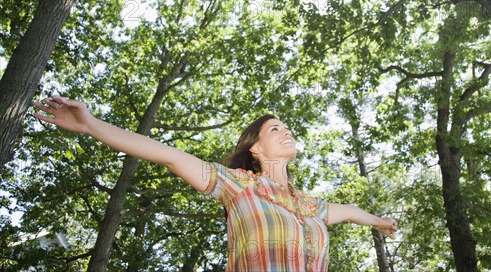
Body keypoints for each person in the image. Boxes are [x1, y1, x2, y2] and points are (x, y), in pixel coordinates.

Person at [33, 95, 398, 272]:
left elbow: (349, 212)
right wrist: (91, 124)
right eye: (275, 129)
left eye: (287, 127)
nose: (286, 131)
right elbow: (169, 155)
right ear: (255, 148)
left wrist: (381, 222)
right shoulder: (239, 186)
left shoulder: (310, 206)